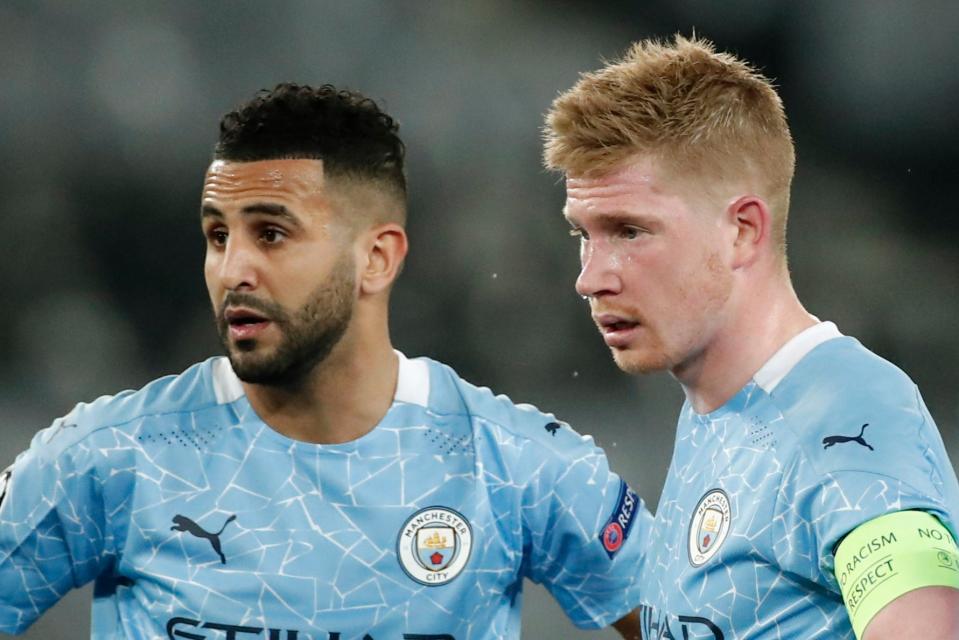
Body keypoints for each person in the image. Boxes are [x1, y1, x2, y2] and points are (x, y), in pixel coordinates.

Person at [0, 84, 647, 639]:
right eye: (217, 235)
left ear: (377, 258)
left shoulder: (513, 466)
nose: (233, 270)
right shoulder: (107, 457)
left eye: (271, 233)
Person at [543, 36, 959, 640]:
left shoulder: (846, 415)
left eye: (630, 230)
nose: (590, 278)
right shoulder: (720, 410)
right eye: (584, 233)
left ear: (742, 231)